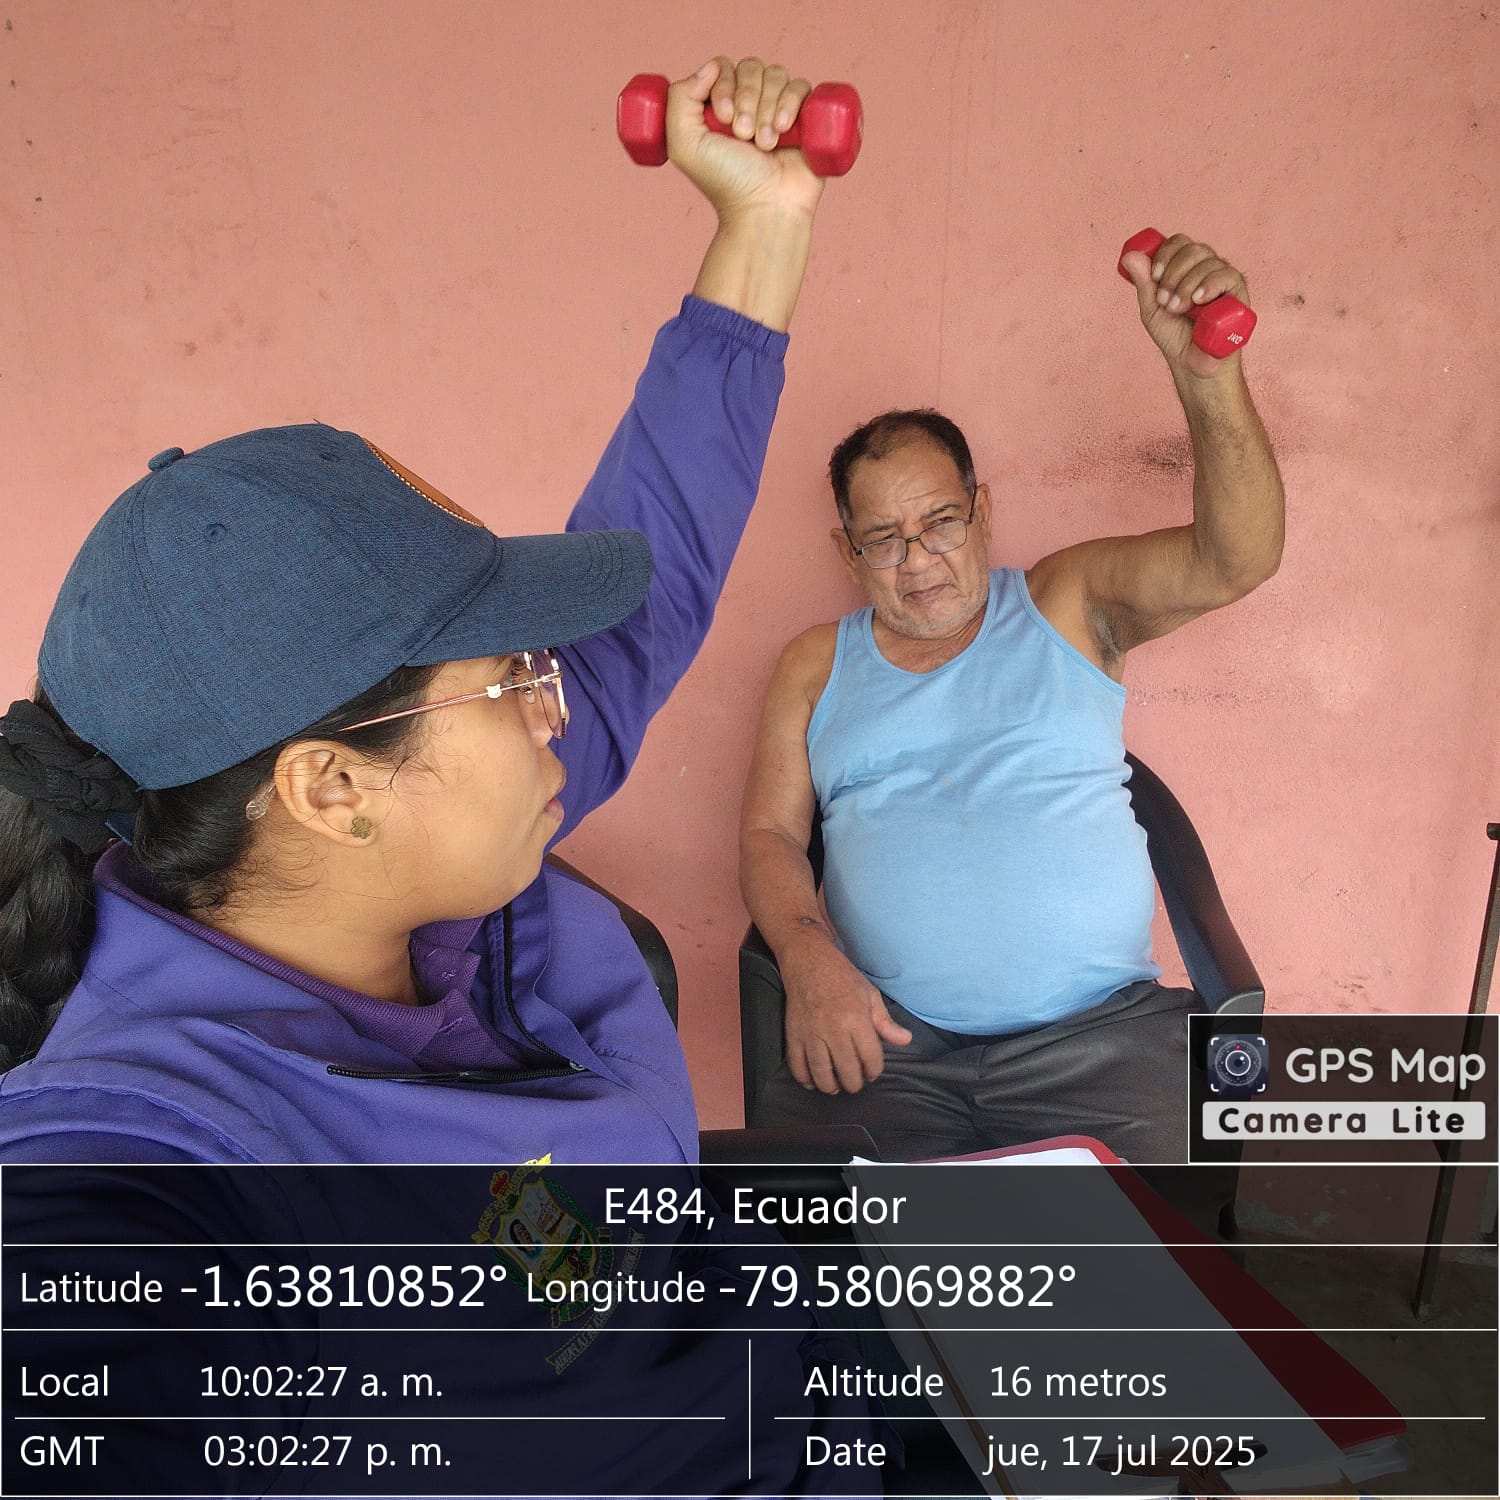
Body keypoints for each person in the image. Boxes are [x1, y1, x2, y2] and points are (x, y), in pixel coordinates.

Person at [0, 58, 896, 1498]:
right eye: (510, 675)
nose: (559, 702)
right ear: (330, 789)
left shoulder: (440, 849)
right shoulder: (154, 1156)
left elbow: (649, 581)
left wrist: (764, 224)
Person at [741, 232, 1284, 1162]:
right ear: (848, 553)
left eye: (941, 522)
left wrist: (1208, 377)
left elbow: (1238, 559)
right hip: (889, 1043)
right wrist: (807, 956)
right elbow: (769, 835)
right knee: (845, 1240)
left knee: (1148, 1242)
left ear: (983, 511)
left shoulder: (1066, 602)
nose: (918, 562)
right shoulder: (814, 664)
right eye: (883, 539)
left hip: (1101, 1041)